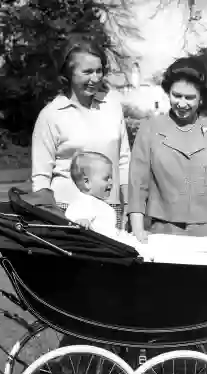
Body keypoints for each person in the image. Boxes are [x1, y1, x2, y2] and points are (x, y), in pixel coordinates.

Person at [127, 56, 207, 240]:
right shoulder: (149, 129)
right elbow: (138, 184)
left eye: (190, 98)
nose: (182, 103)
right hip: (162, 230)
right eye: (176, 95)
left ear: (201, 98)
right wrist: (137, 229)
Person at [31, 35, 131, 230]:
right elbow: (41, 176)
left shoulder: (112, 106)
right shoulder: (51, 115)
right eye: (87, 72)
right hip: (66, 210)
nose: (95, 79)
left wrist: (128, 204)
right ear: (69, 73)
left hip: (110, 208)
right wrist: (51, 216)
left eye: (99, 71)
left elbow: (124, 160)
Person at [65, 151, 138, 247]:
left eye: (111, 178)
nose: (111, 182)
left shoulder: (99, 203)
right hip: (102, 249)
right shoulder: (83, 202)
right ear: (87, 182)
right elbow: (73, 218)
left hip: (112, 246)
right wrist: (80, 221)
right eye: (106, 178)